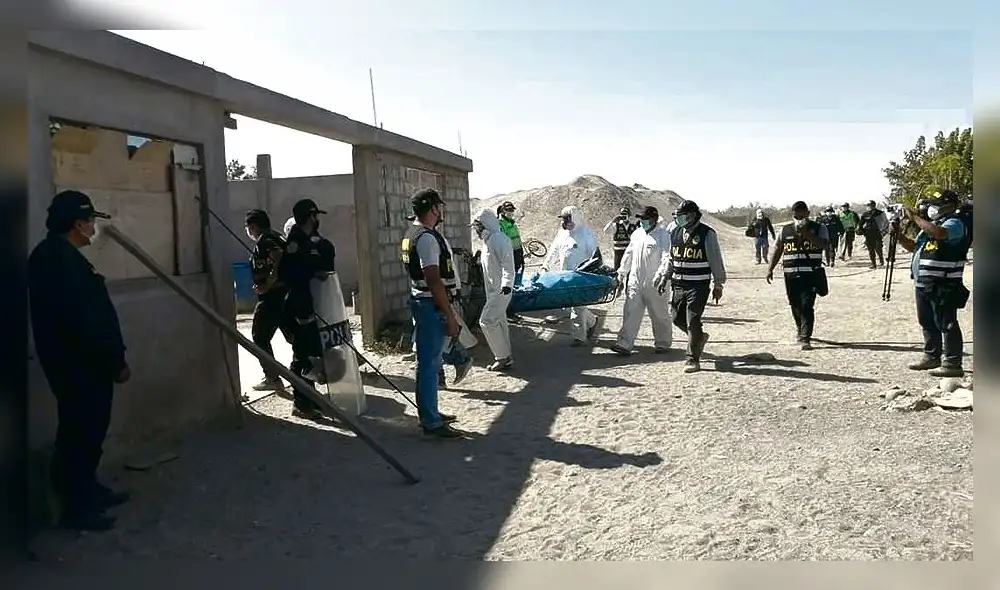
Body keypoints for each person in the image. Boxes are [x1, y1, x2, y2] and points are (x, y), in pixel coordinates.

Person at [28, 190, 131, 531]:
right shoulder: (56, 260)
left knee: (90, 430)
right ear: (77, 224)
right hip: (79, 366)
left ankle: (88, 489)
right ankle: (76, 507)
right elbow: (82, 322)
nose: (93, 228)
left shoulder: (60, 256)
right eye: (90, 221)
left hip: (83, 364)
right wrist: (114, 361)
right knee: (80, 433)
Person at [402, 188, 470, 439]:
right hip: (430, 303)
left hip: (426, 302)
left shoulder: (414, 234)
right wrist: (449, 314)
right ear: (431, 208)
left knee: (431, 360)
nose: (440, 211)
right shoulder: (427, 239)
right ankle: (430, 422)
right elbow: (433, 279)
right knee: (429, 364)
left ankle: (431, 412)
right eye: (438, 207)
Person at [895, 189, 970, 377]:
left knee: (946, 323)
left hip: (943, 282)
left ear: (950, 206)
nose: (932, 208)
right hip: (924, 282)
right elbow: (915, 247)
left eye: (937, 204)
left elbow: (939, 234)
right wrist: (899, 236)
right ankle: (931, 356)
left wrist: (915, 218)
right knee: (927, 321)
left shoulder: (954, 223)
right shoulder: (932, 225)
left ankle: (953, 363)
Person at [654, 200, 727, 373]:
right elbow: (671, 258)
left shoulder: (707, 234)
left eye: (682, 216)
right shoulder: (674, 231)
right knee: (676, 318)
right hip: (679, 284)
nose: (678, 219)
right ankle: (699, 338)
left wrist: (718, 284)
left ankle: (692, 359)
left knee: (693, 320)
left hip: (698, 285)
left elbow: (715, 260)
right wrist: (665, 276)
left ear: (692, 216)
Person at [282, 198, 336, 421]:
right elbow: (292, 275)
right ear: (310, 217)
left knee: (311, 354)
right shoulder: (295, 243)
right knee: (302, 356)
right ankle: (301, 403)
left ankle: (309, 398)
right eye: (315, 216)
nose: (317, 220)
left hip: (309, 304)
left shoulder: (309, 241)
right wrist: (313, 272)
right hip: (299, 306)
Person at [766, 201, 829, 350]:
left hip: (810, 274)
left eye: (802, 216)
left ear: (808, 214)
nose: (799, 219)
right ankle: (800, 330)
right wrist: (770, 268)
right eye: (796, 217)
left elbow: (824, 245)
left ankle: (805, 338)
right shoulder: (785, 230)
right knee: (795, 304)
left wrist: (806, 233)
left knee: (807, 305)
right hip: (790, 274)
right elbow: (778, 248)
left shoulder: (819, 228)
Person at [611, 206, 673, 355]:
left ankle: (663, 343)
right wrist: (621, 274)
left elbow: (666, 257)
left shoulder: (663, 235)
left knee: (659, 314)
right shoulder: (637, 234)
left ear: (653, 219)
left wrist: (661, 274)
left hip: (655, 284)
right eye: (641, 218)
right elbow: (628, 254)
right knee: (630, 312)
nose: (642, 221)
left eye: (645, 218)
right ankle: (624, 343)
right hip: (635, 282)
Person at [245, 209, 293, 391]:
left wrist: (269, 282)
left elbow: (278, 255)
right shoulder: (276, 236)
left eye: (248, 227)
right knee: (293, 336)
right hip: (285, 296)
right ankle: (321, 365)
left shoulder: (265, 241)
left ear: (253, 226)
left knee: (259, 337)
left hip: (272, 298)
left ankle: (272, 378)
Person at [543, 205, 601, 346]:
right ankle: (592, 321)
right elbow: (553, 249)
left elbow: (595, 257)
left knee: (577, 306)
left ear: (575, 218)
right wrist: (546, 264)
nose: (565, 223)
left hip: (581, 276)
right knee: (571, 305)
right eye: (564, 220)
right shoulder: (562, 234)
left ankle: (579, 337)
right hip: (565, 275)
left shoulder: (586, 234)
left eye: (568, 219)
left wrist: (594, 274)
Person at [472, 208, 516, 370]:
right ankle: (507, 356)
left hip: (501, 290)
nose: (476, 231)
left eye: (478, 227)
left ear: (485, 225)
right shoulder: (488, 242)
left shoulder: (500, 239)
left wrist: (506, 284)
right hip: (493, 290)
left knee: (487, 321)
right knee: (499, 321)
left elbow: (508, 265)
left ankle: (501, 357)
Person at [496, 201, 525, 286]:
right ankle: (510, 286)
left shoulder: (512, 222)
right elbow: (502, 239)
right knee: (511, 270)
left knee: (519, 267)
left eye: (512, 210)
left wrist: (520, 247)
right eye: (508, 210)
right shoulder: (501, 223)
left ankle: (517, 285)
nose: (511, 212)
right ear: (503, 211)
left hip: (517, 249)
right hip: (509, 251)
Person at [859, 200, 889, 269]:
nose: (868, 207)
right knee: (871, 250)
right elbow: (860, 224)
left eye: (869, 205)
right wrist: (863, 231)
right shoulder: (865, 214)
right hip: (868, 234)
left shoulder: (880, 213)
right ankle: (873, 264)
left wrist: (884, 232)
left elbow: (886, 223)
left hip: (878, 234)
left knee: (878, 248)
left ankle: (881, 260)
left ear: (873, 206)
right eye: (867, 206)